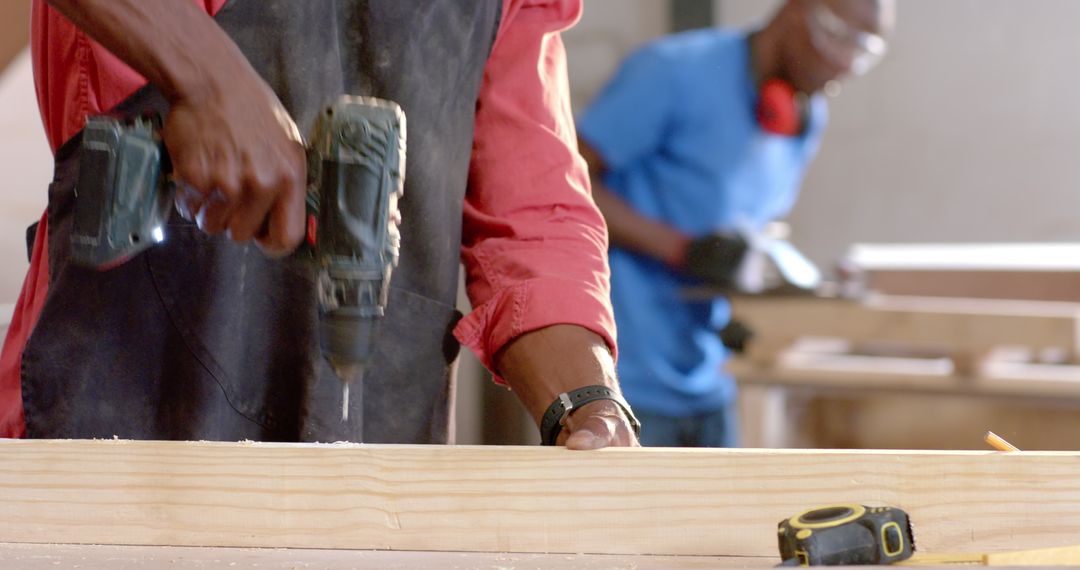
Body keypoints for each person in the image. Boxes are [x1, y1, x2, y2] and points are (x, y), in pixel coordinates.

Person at [0, 0, 639, 449]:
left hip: (374, 446)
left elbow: (532, 209)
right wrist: (205, 74)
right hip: (117, 414)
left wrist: (587, 406)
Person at [577, 0, 895, 447]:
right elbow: (564, 181)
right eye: (839, 37)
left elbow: (754, 228)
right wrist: (678, 249)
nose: (844, 65)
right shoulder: (673, 72)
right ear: (793, 12)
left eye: (864, 51)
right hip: (622, 378)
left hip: (709, 377)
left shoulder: (801, 118)